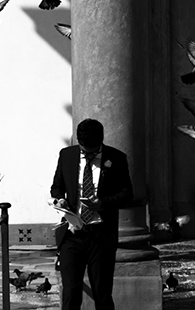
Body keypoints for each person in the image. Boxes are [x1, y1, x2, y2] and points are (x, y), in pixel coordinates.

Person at [50, 118, 133, 310]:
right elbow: (56, 187)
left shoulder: (117, 158)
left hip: (101, 236)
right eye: (84, 151)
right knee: (70, 293)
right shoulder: (67, 155)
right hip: (72, 234)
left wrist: (102, 203)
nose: (87, 155)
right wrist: (60, 200)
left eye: (92, 152)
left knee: (102, 294)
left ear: (101, 142)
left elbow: (127, 194)